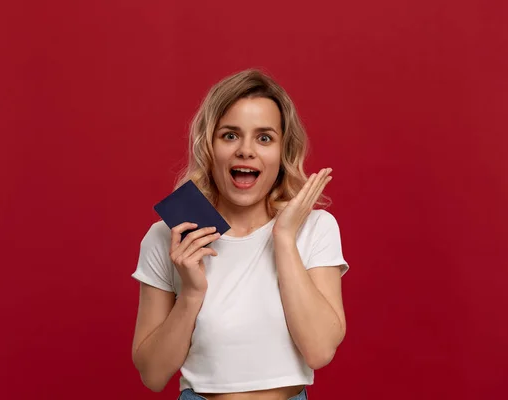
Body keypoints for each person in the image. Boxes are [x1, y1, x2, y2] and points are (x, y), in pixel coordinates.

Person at [131, 69, 349, 400]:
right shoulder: (170, 235)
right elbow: (152, 374)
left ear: (282, 152)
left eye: (264, 138)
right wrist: (190, 293)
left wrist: (284, 239)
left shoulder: (315, 228)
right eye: (230, 135)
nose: (246, 151)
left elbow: (319, 350)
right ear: (209, 146)